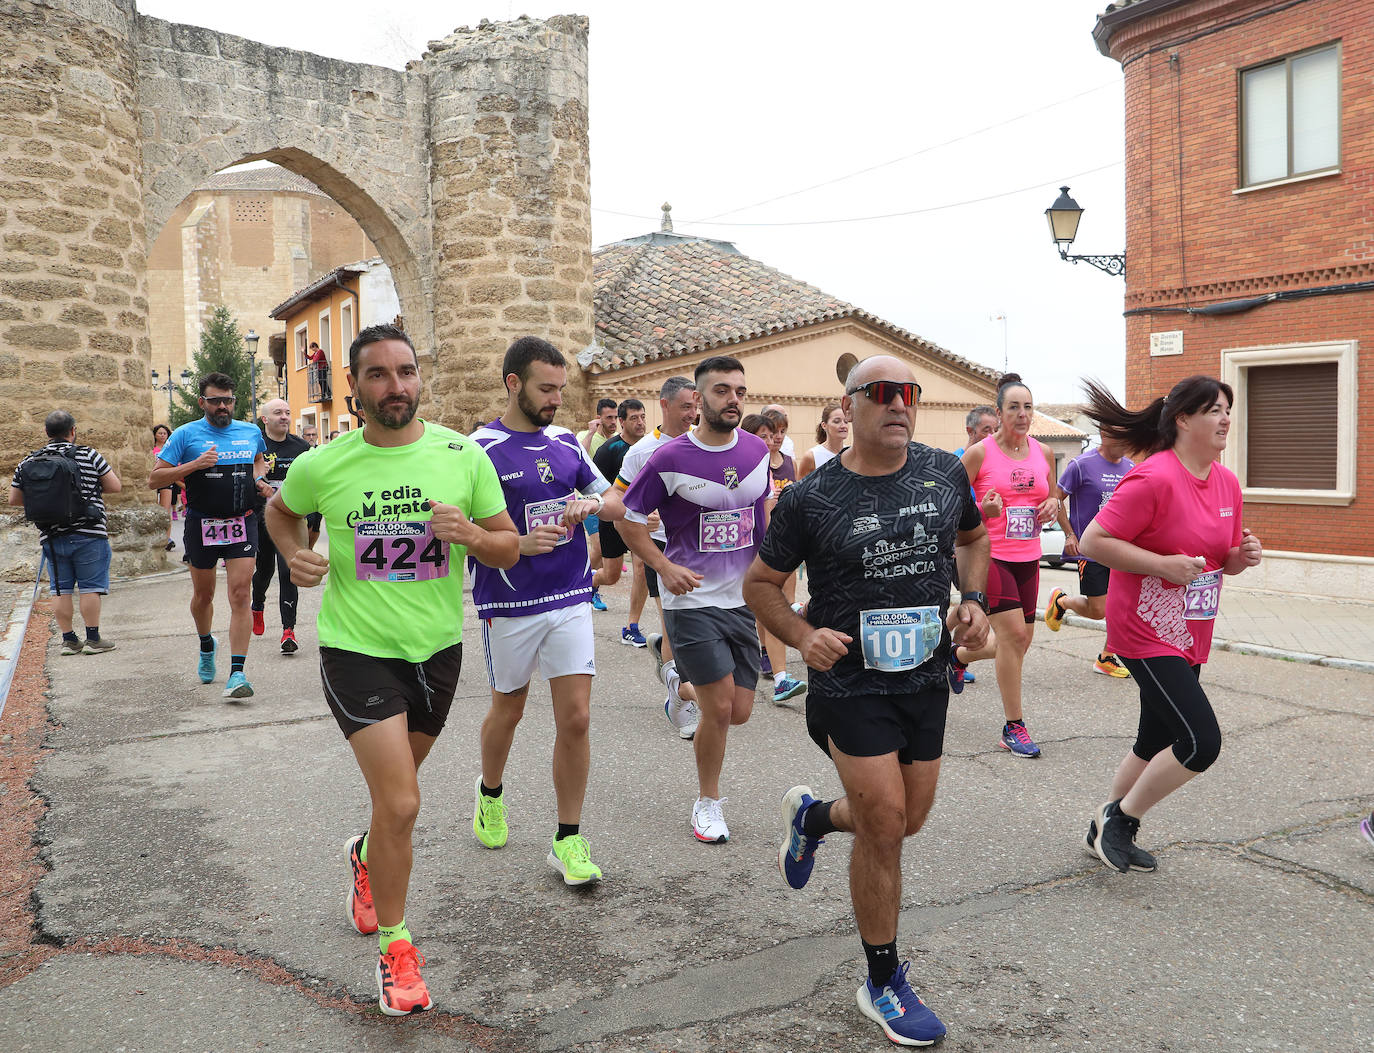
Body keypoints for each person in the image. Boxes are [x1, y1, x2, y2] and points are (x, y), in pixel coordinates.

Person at [266, 323, 518, 1015]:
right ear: (356, 387)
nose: (395, 386)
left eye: (405, 371)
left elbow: (506, 549)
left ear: (419, 378)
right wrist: (293, 553)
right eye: (378, 374)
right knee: (404, 802)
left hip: (436, 651)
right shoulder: (326, 463)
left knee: (391, 805)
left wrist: (469, 533)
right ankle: (397, 953)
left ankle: (365, 856)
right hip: (357, 649)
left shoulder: (461, 456)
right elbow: (278, 511)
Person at [744, 355, 990, 1047]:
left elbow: (973, 538)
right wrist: (799, 632)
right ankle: (882, 978)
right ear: (848, 407)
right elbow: (760, 583)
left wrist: (972, 599)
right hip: (851, 682)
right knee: (884, 823)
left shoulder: (944, 473)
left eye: (907, 393)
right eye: (881, 393)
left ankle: (813, 817)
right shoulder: (809, 498)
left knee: (907, 819)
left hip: (924, 677)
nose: (898, 404)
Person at [1078, 375, 1261, 874]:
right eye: (1215, 410)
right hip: (1144, 627)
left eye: (1228, 409)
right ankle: (1121, 821)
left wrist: (1241, 558)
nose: (1226, 418)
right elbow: (1092, 541)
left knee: (1153, 739)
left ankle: (1101, 827)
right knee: (1201, 741)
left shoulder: (1225, 481)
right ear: (1183, 419)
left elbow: (1219, 557)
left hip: (1192, 628)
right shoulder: (1154, 477)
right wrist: (1160, 566)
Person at [469, 337, 624, 885]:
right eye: (546, 388)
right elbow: (463, 534)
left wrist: (591, 503)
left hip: (569, 596)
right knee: (507, 710)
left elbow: (612, 499)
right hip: (510, 602)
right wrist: (514, 545)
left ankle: (568, 838)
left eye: (561, 388)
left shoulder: (565, 442)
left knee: (576, 718)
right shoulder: (478, 449)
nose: (557, 399)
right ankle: (490, 791)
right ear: (514, 383)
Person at [620, 356, 771, 844]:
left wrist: (770, 574)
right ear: (699, 400)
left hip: (742, 599)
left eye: (740, 391)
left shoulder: (755, 450)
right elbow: (627, 517)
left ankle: (676, 686)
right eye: (722, 391)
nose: (733, 400)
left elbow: (759, 516)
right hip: (691, 601)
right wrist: (663, 567)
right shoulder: (668, 458)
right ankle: (707, 802)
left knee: (741, 709)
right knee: (722, 709)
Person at [955, 373, 1059, 758]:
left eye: (1027, 406)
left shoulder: (1043, 453)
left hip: (1028, 556)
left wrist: (1052, 507)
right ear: (998, 413)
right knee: (1014, 635)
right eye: (1013, 407)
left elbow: (1050, 498)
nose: (1022, 413)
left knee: (1019, 642)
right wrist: (983, 509)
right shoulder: (980, 453)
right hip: (990, 554)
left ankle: (956, 656)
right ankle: (1014, 727)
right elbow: (952, 507)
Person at [149, 373, 270, 699]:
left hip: (243, 521)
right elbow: (154, 478)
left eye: (227, 400)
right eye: (215, 400)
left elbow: (258, 461)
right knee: (204, 597)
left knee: (241, 594)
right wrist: (195, 464)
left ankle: (237, 673)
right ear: (202, 402)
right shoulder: (187, 435)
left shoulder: (250, 432)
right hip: (201, 523)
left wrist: (259, 480)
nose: (222, 406)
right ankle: (206, 644)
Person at [615, 377, 702, 740]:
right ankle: (682, 697)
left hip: (702, 548)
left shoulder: (704, 442)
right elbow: (621, 504)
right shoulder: (640, 452)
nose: (693, 414)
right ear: (664, 406)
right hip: (663, 548)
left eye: (695, 406)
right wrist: (645, 514)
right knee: (676, 628)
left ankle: (673, 672)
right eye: (685, 407)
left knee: (698, 627)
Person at [9, 410, 122, 655]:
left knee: (61, 589)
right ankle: (93, 639)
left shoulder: (29, 461)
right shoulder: (88, 454)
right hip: (90, 532)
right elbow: (115, 486)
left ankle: (69, 640)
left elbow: (14, 499)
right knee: (90, 587)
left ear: (46, 433)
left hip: (52, 533)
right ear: (73, 431)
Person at [1044, 433, 1136, 677]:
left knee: (1122, 607)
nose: (1126, 442)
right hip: (1091, 550)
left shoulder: (1130, 467)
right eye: (1121, 435)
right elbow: (1056, 499)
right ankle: (1061, 601)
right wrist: (1069, 534)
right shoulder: (1080, 466)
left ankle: (1106, 657)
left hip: (1121, 550)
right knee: (1099, 611)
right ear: (1105, 434)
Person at [740, 413, 806, 704]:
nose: (769, 441)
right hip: (727, 555)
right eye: (762, 435)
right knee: (735, 616)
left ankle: (780, 678)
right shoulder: (735, 465)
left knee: (773, 604)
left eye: (773, 435)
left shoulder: (768, 469)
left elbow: (767, 514)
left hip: (761, 550)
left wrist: (774, 547)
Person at [251, 399, 312, 655]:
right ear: (265, 419)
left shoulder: (301, 447)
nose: (284, 417)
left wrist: (314, 516)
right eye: (278, 413)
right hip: (262, 518)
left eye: (287, 412)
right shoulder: (256, 446)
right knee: (264, 570)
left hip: (290, 519)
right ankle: (257, 604)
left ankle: (289, 631)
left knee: (288, 571)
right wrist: (255, 476)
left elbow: (312, 482)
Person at [592, 398, 650, 647]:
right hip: (613, 520)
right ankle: (590, 582)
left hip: (642, 520)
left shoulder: (652, 447)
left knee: (642, 569)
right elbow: (596, 490)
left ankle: (631, 626)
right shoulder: (608, 451)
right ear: (622, 422)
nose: (640, 422)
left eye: (643, 417)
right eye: (634, 418)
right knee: (612, 575)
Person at [578, 397, 619, 610]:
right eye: (609, 417)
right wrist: (591, 432)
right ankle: (586, 587)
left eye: (615, 417)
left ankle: (585, 585)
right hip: (588, 501)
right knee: (599, 547)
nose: (613, 421)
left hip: (610, 501)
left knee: (604, 552)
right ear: (598, 418)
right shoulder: (585, 436)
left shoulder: (617, 441)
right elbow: (580, 458)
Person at [796, 403, 847, 478]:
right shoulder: (811, 457)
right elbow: (800, 488)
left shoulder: (852, 454)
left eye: (846, 421)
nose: (843, 426)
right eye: (836, 421)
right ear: (824, 425)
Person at [152, 424, 180, 551]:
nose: (163, 435)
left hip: (166, 480)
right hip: (153, 478)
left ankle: (167, 538)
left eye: (165, 433)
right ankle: (156, 535)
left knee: (166, 509)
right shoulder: (151, 448)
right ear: (155, 435)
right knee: (154, 507)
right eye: (160, 433)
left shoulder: (169, 448)